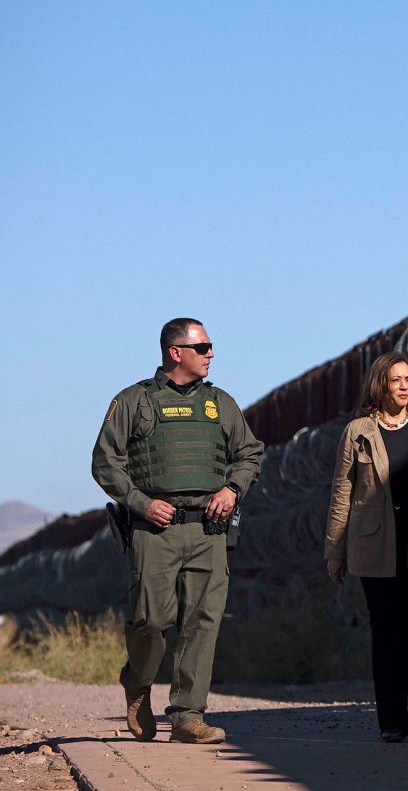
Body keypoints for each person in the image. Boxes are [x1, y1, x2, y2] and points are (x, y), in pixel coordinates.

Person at [91, 318, 264, 744]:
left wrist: (232, 488)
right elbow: (104, 460)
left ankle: (188, 715)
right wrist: (141, 503)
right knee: (151, 621)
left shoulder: (219, 403)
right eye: (202, 346)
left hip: (208, 529)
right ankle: (138, 683)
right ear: (176, 352)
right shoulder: (135, 401)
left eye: (210, 347)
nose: (211, 354)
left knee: (202, 621)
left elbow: (250, 453)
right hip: (155, 531)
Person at [324, 352, 408, 743]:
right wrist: (335, 551)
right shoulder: (357, 431)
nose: (403, 386)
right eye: (396, 379)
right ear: (380, 383)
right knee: (385, 630)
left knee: (405, 630)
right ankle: (392, 721)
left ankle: (398, 711)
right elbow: (341, 493)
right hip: (372, 544)